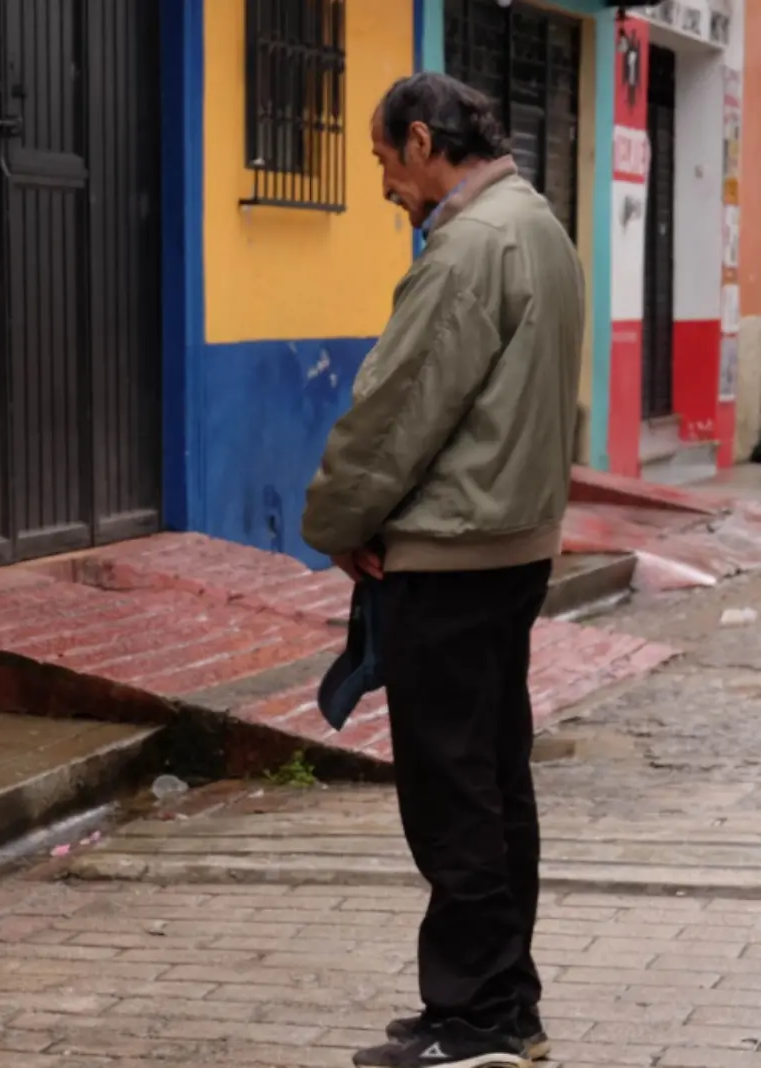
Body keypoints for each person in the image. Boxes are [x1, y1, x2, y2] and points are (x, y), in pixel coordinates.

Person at [302, 72, 584, 1068]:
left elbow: (397, 411)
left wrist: (334, 520)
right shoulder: (537, 225)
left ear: (421, 142)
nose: (385, 183)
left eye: (383, 159)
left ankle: (473, 1021)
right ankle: (502, 1003)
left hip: (454, 553)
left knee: (452, 790)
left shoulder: (468, 247)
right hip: (510, 546)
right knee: (495, 780)